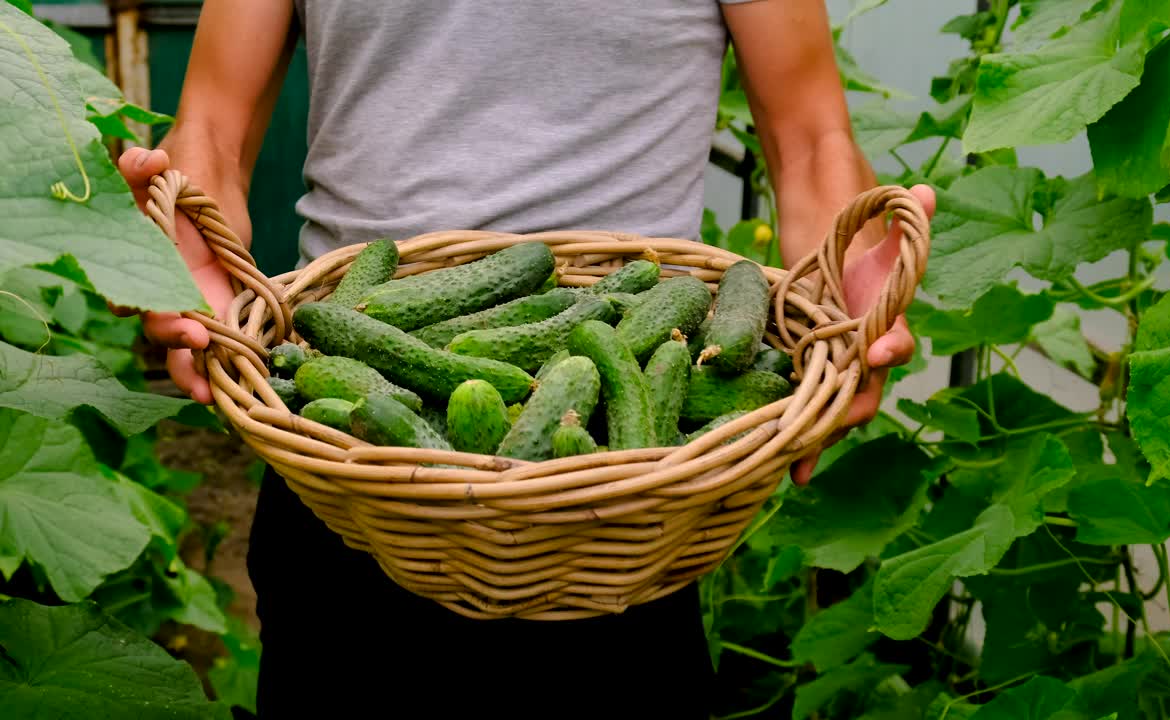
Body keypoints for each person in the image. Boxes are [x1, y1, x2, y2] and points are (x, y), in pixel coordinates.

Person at [116, 1, 934, 716]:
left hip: (627, 488)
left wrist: (841, 283)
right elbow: (214, 121)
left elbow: (811, 135)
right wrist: (185, 254)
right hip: (348, 458)